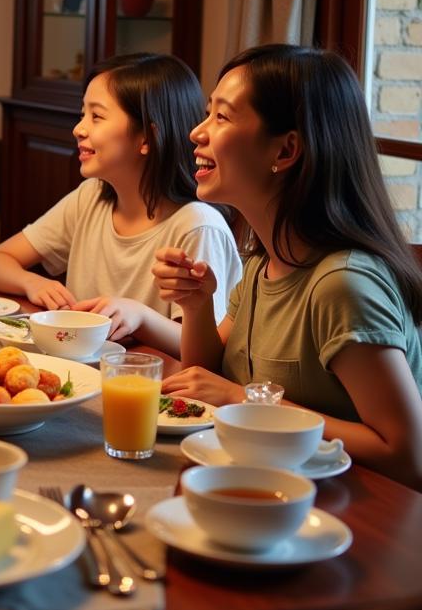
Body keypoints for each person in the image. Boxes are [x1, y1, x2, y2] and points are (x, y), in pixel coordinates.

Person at [153, 44, 422, 489]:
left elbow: (407, 455)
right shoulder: (265, 263)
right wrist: (197, 306)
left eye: (221, 117)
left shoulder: (343, 284)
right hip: (270, 489)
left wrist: (249, 403)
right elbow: (205, 378)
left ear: (286, 150)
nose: (196, 133)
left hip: (361, 520)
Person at [0, 53, 241, 353]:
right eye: (82, 114)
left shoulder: (196, 225)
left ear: (147, 137)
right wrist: (32, 283)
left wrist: (140, 317)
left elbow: (208, 349)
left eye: (96, 116)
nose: (79, 128)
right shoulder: (91, 197)